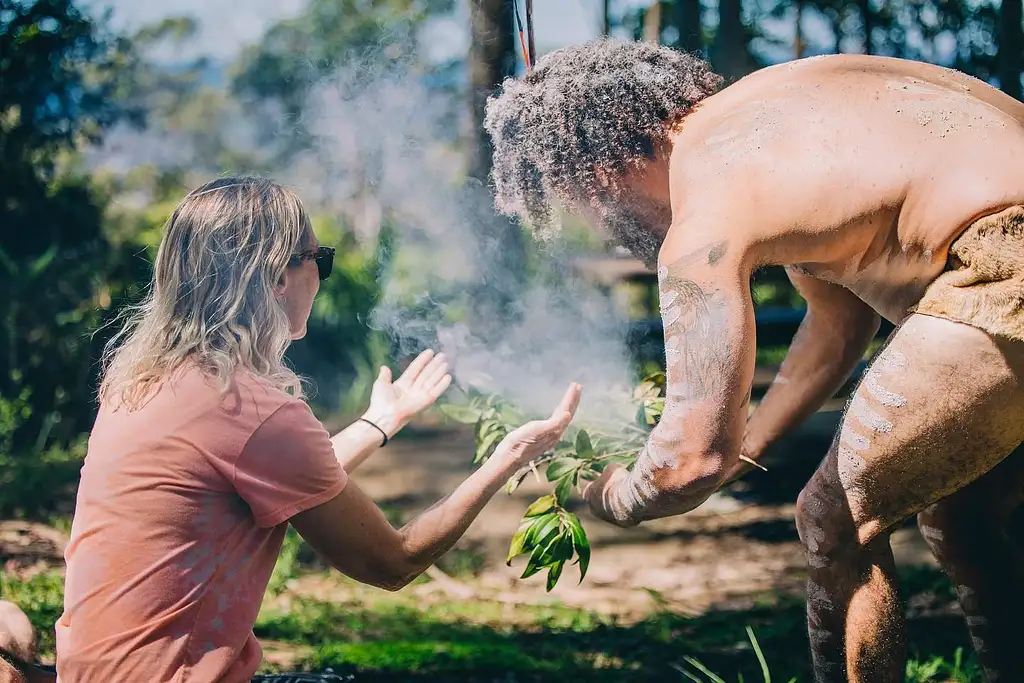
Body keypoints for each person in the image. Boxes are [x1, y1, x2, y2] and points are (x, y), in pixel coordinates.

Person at [484, 37, 1024, 683]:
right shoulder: (776, 124)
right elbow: (837, 323)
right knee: (961, 515)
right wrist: (749, 443)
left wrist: (610, 493)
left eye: (586, 206)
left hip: (1001, 266)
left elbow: (688, 463)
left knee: (834, 518)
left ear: (595, 172)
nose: (604, 223)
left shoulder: (705, 216)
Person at [0, 177, 581, 683]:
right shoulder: (250, 408)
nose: (322, 277)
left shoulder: (146, 381)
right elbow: (392, 563)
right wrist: (506, 459)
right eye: (318, 259)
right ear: (278, 275)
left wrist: (380, 421)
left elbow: (266, 473)